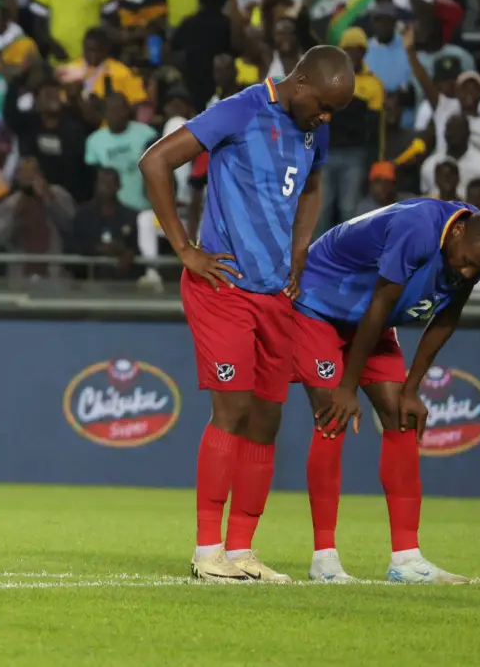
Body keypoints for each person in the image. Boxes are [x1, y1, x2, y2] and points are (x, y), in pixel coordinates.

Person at [140, 45, 355, 581]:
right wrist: (185, 248)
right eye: (324, 106)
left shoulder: (314, 127)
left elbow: (312, 187)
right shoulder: (241, 109)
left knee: (267, 419)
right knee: (231, 413)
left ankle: (241, 551)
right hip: (224, 287)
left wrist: (300, 250)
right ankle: (207, 550)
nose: (326, 118)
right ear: (301, 83)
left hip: (276, 295)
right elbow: (156, 161)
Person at [295, 200, 480, 584]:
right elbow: (380, 304)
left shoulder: (479, 242)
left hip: (369, 314)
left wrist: (412, 388)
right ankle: (324, 559)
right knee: (333, 415)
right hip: (321, 303)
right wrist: (348, 387)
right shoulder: (418, 228)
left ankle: (407, 559)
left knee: (401, 416)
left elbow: (448, 315)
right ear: (457, 232)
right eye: (465, 262)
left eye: (478, 271)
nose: (467, 271)